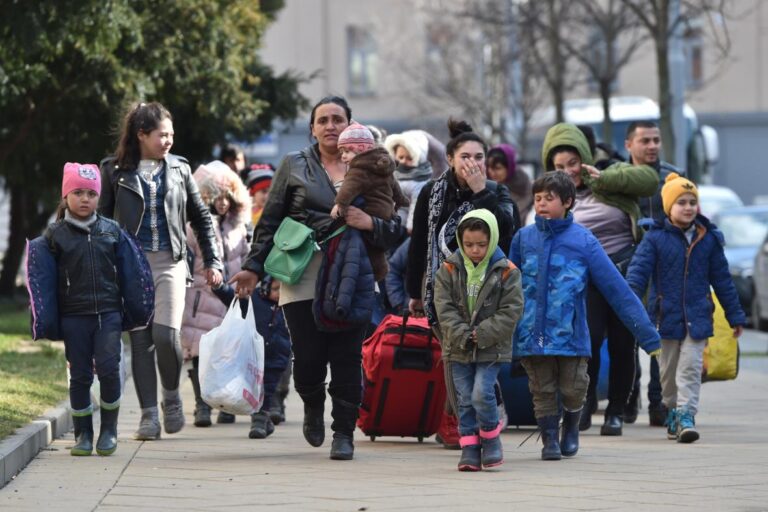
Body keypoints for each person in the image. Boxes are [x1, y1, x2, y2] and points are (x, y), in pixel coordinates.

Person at [228, 96, 403, 461]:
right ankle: (311, 404)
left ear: (351, 126)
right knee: (307, 358)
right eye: (322, 120)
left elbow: (397, 225)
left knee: (346, 356)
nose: (330, 126)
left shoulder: (373, 164)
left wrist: (368, 222)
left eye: (338, 119)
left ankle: (343, 433)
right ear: (312, 128)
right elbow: (271, 220)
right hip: (302, 268)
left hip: (353, 273)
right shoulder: (294, 164)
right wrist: (253, 266)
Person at [509, 171, 661, 461]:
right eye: (538, 198)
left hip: (571, 335)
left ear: (568, 201)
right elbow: (507, 284)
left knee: (574, 388)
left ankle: (573, 424)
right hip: (532, 333)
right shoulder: (523, 238)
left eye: (549, 198)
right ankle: (550, 439)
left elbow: (618, 289)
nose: (541, 203)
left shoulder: (584, 241)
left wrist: (648, 336)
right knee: (541, 389)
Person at [99, 102, 223, 440]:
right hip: (131, 264)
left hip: (170, 262)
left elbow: (200, 218)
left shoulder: (180, 169)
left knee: (165, 335)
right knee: (140, 340)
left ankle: (171, 396)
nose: (168, 140)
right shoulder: (113, 171)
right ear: (141, 135)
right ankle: (148, 417)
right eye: (161, 135)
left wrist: (213, 261)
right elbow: (103, 222)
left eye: (170, 134)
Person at [406, 119, 519, 449]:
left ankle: (473, 420)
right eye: (466, 156)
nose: (474, 163)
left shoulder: (496, 192)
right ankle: (465, 425)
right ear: (452, 158)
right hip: (443, 290)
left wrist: (480, 192)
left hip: (486, 292)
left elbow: (507, 229)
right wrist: (415, 290)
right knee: (455, 356)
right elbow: (420, 243)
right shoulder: (432, 192)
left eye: (480, 156)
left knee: (478, 359)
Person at [541, 123, 658, 436]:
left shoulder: (608, 177)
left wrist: (604, 178)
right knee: (586, 343)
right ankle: (585, 404)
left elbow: (649, 178)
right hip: (583, 278)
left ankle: (616, 412)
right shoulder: (555, 197)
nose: (568, 172)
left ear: (585, 158)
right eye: (559, 167)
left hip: (623, 272)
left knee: (623, 344)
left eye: (573, 163)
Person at [626, 173, 745, 443]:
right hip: (664, 317)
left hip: (698, 317)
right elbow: (637, 275)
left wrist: (735, 315)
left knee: (690, 368)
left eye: (693, 202)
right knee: (667, 375)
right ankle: (671, 409)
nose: (689, 207)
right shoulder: (654, 238)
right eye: (682, 202)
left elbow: (723, 280)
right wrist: (631, 309)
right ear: (669, 207)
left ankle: (686, 415)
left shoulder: (709, 239)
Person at [43, 163, 127, 456]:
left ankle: (109, 431)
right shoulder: (54, 236)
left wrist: (134, 309)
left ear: (98, 198)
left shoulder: (111, 230)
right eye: (77, 192)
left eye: (91, 193)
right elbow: (43, 281)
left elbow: (129, 272)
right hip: (73, 316)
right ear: (66, 195)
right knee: (80, 375)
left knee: (108, 368)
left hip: (108, 313)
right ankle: (83, 435)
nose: (84, 199)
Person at [433, 209, 523, 471]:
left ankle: (490, 437)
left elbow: (511, 310)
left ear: (492, 240)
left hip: (490, 346)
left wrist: (482, 333)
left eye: (481, 245)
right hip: (458, 345)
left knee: (482, 392)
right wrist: (460, 333)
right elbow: (444, 306)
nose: (474, 250)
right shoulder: (449, 268)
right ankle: (469, 446)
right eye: (468, 244)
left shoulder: (507, 271)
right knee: (464, 398)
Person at [180, 160, 251, 428]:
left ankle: (227, 403)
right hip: (199, 299)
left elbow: (246, 256)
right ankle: (201, 405)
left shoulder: (239, 227)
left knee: (229, 355)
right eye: (216, 196)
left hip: (230, 298)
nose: (222, 203)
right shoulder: (193, 227)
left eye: (227, 197)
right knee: (200, 355)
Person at [624, 120, 683, 426]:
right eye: (645, 140)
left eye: (656, 140)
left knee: (663, 333)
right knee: (629, 332)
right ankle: (629, 397)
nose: (652, 146)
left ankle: (659, 401)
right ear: (629, 145)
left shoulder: (673, 176)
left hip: (665, 268)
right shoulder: (616, 178)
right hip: (626, 264)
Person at [211, 275, 292, 439]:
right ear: (266, 287)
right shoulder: (254, 300)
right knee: (252, 389)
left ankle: (259, 421)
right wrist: (219, 287)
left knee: (267, 391)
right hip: (251, 358)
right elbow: (231, 299)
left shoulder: (289, 308)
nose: (279, 294)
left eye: (284, 291)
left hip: (276, 359)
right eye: (276, 289)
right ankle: (262, 419)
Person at [331, 122, 409, 281]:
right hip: (386, 214)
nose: (343, 156)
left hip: (370, 211)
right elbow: (394, 186)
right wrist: (401, 200)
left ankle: (377, 272)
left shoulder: (358, 169)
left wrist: (340, 204)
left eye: (347, 151)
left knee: (368, 249)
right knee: (377, 252)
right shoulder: (382, 165)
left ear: (360, 151)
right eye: (342, 152)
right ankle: (380, 271)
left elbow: (349, 188)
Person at [384, 130, 434, 232]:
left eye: (409, 158)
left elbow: (416, 205)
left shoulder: (420, 180)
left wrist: (411, 225)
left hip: (406, 219)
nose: (403, 161)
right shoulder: (394, 172)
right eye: (400, 157)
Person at [487, 144, 533, 222]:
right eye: (489, 167)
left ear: (509, 168)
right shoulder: (484, 187)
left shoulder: (523, 186)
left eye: (497, 168)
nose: (492, 173)